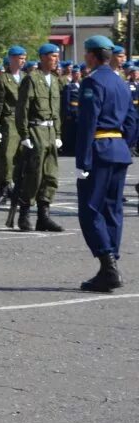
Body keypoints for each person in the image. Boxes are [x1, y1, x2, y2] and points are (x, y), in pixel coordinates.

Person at [75, 36, 132, 291]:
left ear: (92, 55)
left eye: (86, 53)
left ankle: (107, 263)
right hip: (119, 150)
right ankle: (110, 265)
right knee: (113, 210)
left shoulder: (92, 81)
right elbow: (132, 121)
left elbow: (88, 123)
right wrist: (122, 144)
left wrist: (83, 159)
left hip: (99, 150)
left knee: (90, 209)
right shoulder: (121, 83)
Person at [15, 42, 65, 232]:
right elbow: (22, 109)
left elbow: (57, 111)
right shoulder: (32, 79)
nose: (56, 59)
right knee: (34, 174)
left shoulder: (54, 79)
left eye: (57, 56)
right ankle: (24, 213)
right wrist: (24, 134)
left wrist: (58, 133)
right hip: (36, 130)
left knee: (51, 175)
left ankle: (44, 215)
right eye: (53, 56)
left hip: (51, 131)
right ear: (43, 57)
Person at [0, 46, 27, 202]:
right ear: (12, 59)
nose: (23, 61)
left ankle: (20, 187)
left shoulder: (25, 77)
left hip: (25, 120)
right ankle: (4, 187)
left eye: (24, 58)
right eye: (20, 58)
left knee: (23, 156)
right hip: (9, 120)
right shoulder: (3, 79)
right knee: (7, 156)